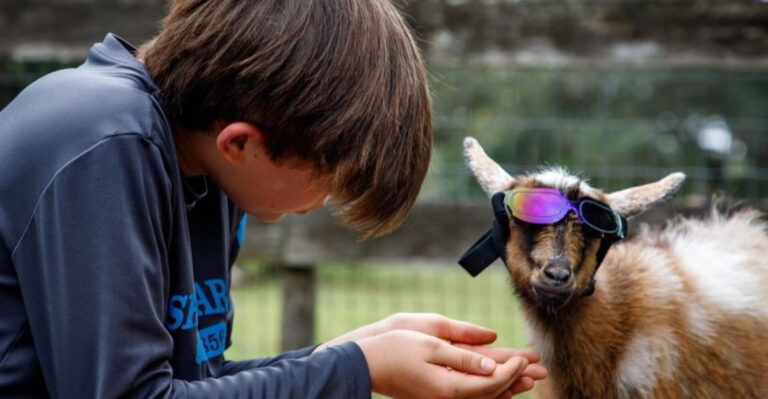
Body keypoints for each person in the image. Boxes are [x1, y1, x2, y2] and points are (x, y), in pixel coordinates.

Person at [0, 0, 546, 397]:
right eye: (328, 178)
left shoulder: (206, 169)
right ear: (240, 143)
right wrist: (357, 368)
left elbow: (194, 382)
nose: (324, 201)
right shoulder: (104, 140)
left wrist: (345, 353)